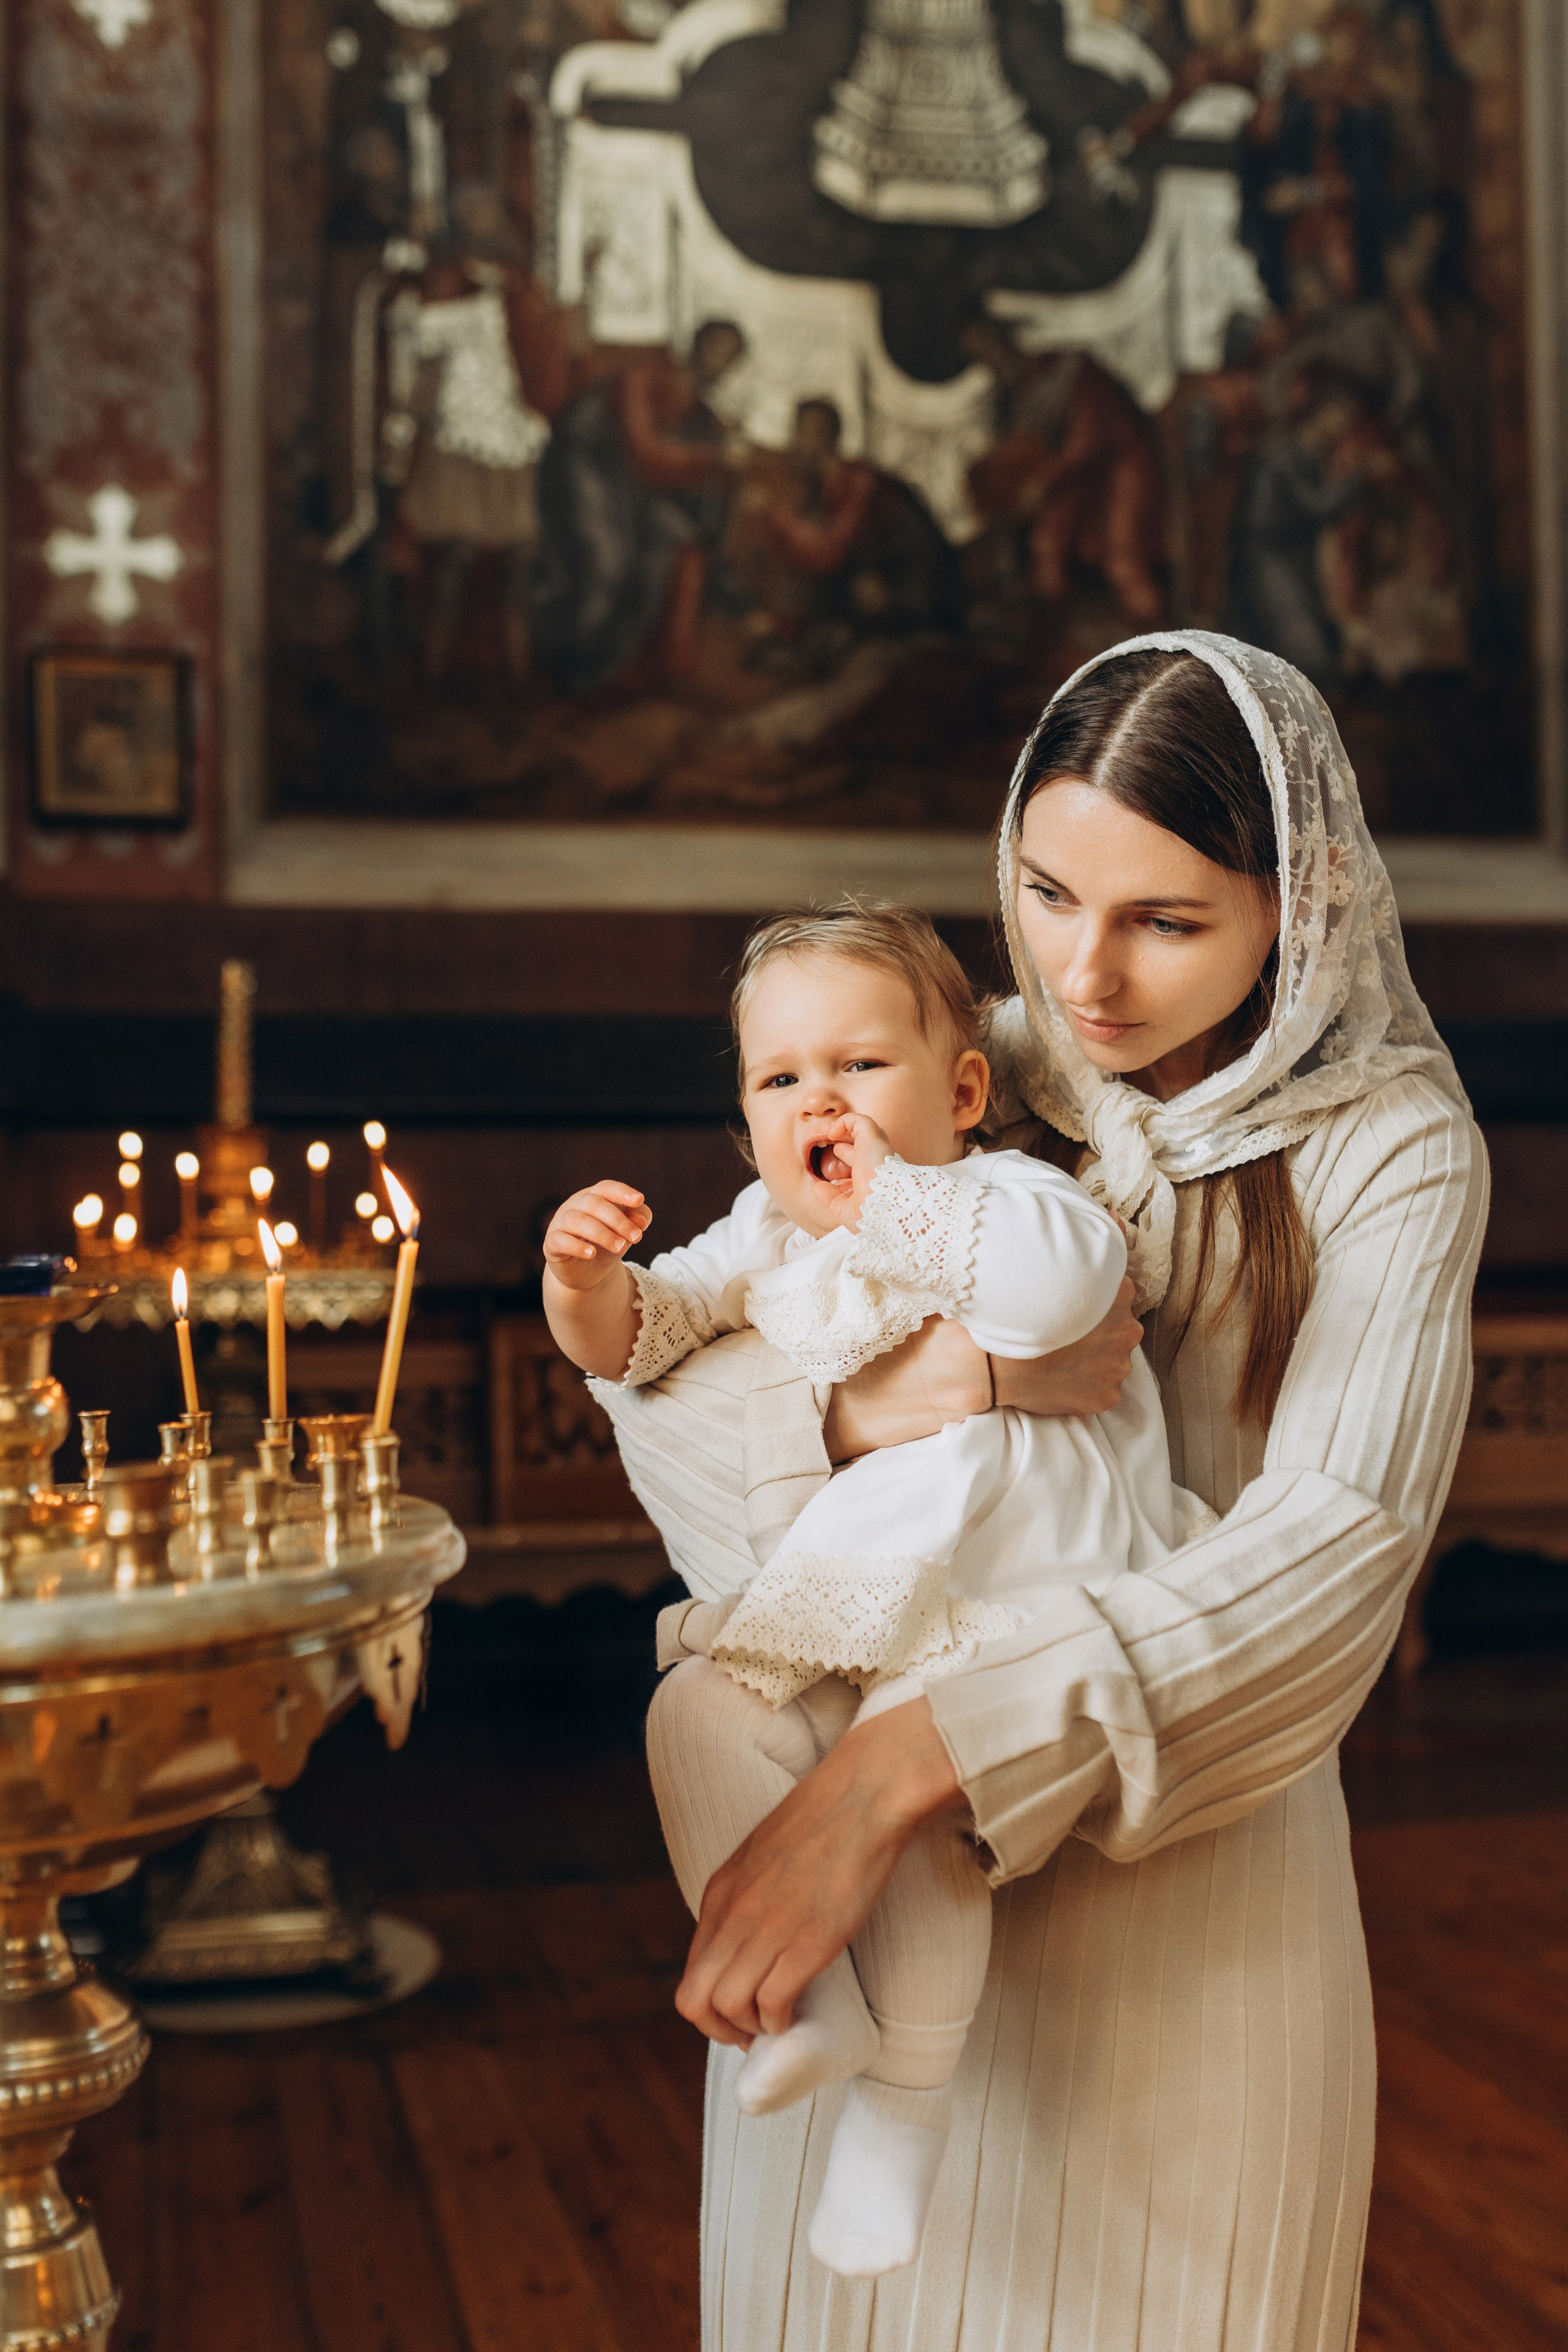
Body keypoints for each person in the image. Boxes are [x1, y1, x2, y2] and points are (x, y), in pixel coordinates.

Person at [590, 628, 1486, 2349]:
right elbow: (668, 1388)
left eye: (1166, 920)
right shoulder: (931, 1056)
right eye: (1048, 892)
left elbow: (1336, 1560)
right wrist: (909, 1409)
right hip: (841, 1922)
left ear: (1298, 906)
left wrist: (900, 1769)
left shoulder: (1393, 1150)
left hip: (1179, 1911)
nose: (1087, 974)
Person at [542, 905, 1216, 2278]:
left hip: (1019, 1580)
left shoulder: (1010, 1198)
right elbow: (641, 1349)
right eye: (779, 1080)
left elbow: (1042, 1308)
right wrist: (581, 1281)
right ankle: (810, 2009)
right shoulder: (758, 1239)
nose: (820, 1104)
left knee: (902, 1803)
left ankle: (902, 2105)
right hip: (862, 1579)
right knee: (697, 1719)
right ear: (743, 1117)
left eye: (858, 1067)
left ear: (960, 1091)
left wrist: (893, 1198)